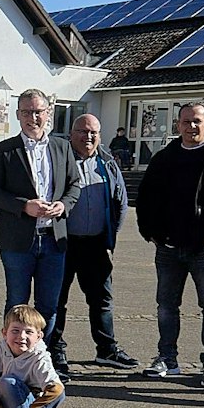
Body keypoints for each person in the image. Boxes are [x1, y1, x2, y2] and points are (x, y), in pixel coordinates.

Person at [133, 102, 204, 388]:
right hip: (168, 249)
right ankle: (167, 359)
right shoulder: (164, 158)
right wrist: (151, 233)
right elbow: (145, 199)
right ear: (178, 125)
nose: (191, 126)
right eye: (186, 121)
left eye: (197, 121)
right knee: (166, 306)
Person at [0, 88, 81, 369]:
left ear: (48, 113)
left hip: (54, 240)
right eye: (26, 112)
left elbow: (75, 185)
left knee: (48, 306)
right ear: (18, 116)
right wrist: (23, 205)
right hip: (18, 242)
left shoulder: (63, 148)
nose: (33, 117)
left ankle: (38, 359)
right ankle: (10, 360)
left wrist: (63, 205)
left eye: (38, 111)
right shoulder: (4, 150)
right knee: (16, 304)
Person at [55, 114, 139, 370]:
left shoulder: (107, 164)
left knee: (102, 299)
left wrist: (110, 234)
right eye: (82, 131)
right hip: (63, 244)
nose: (88, 137)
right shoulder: (60, 161)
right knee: (57, 300)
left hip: (96, 245)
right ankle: (54, 350)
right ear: (71, 134)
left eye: (93, 132)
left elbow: (120, 202)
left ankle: (107, 350)